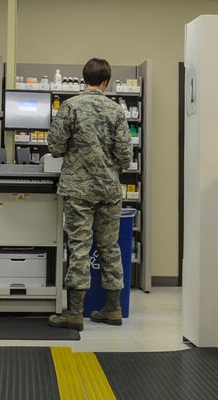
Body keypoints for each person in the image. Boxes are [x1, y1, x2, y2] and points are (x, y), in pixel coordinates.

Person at [46, 58, 133, 330]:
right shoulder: (117, 111)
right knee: (110, 247)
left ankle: (74, 312)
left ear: (84, 79)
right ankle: (113, 309)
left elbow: (55, 146)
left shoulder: (70, 106)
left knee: (79, 247)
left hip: (78, 190)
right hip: (108, 190)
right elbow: (126, 157)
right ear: (106, 81)